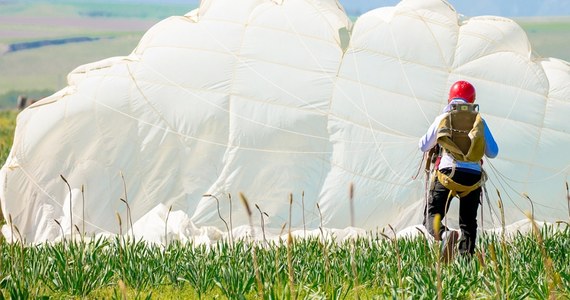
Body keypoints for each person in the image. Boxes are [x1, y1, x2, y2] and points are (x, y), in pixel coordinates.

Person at [418, 80, 499, 261]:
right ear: (472, 100)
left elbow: (423, 146)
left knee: (432, 215)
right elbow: (493, 152)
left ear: (450, 98)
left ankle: (445, 235)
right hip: (472, 178)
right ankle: (466, 264)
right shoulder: (479, 121)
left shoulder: (443, 118)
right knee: (469, 223)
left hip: (448, 174)